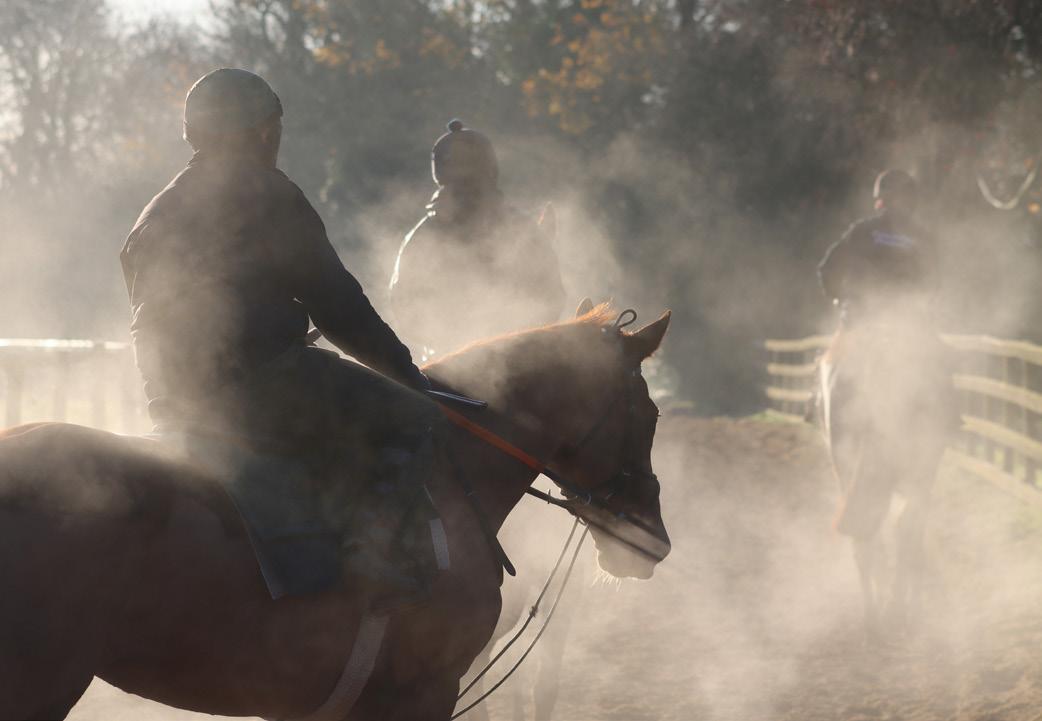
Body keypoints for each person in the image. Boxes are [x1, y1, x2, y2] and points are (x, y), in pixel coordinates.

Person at [121, 67, 437, 465]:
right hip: (261, 393)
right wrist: (408, 377)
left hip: (172, 404)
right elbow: (339, 307)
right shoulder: (268, 194)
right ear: (265, 132)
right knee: (415, 417)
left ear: (192, 133)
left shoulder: (151, 216)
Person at [388, 119, 566, 356]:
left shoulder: (521, 230)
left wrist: (514, 338)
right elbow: (405, 306)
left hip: (518, 359)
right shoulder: (424, 238)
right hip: (451, 362)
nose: (468, 192)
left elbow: (550, 296)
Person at [818, 169, 938, 326]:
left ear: (881, 200)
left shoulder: (862, 231)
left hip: (864, 321)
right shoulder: (924, 238)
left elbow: (828, 269)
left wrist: (840, 299)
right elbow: (934, 283)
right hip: (907, 323)